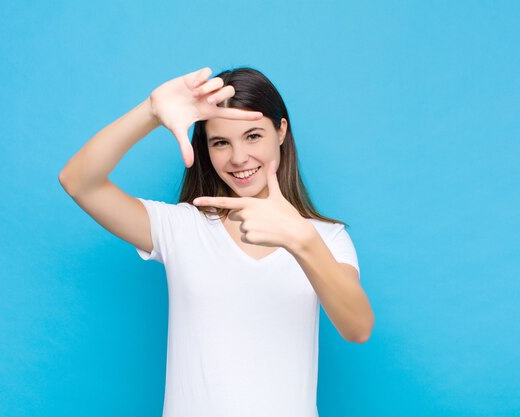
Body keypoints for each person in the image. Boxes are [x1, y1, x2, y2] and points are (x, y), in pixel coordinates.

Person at [59, 66, 374, 417]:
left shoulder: (327, 238)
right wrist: (150, 111)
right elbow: (78, 181)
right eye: (220, 142)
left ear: (281, 130)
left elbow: (358, 327)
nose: (239, 158)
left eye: (253, 136)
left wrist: (301, 238)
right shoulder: (181, 227)